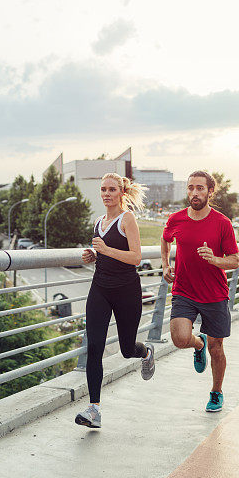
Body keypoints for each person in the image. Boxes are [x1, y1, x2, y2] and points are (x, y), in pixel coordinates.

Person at [75, 173, 155, 429]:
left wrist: (106, 250)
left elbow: (135, 258)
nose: (107, 194)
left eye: (111, 189)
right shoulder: (98, 221)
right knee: (94, 347)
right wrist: (93, 256)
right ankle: (94, 410)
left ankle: (146, 352)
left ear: (121, 192)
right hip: (100, 287)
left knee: (126, 348)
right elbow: (104, 255)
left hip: (126, 290)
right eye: (103, 189)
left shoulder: (127, 219)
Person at [161, 170, 239, 412]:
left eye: (200, 188)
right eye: (191, 188)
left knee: (217, 348)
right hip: (184, 290)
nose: (194, 193)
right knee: (179, 339)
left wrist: (215, 260)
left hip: (214, 294)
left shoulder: (222, 223)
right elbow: (165, 239)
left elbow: (235, 260)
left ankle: (216, 392)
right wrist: (165, 265)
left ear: (210, 191)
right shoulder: (176, 220)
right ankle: (197, 345)